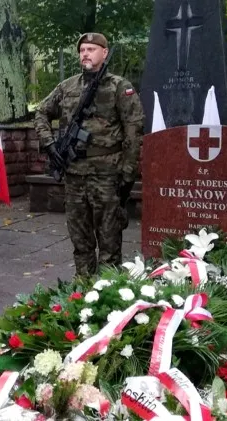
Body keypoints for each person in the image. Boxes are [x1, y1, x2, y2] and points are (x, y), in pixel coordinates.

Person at [34, 32, 145, 278]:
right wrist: (50, 144)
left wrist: (128, 173)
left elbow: (134, 130)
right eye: (82, 49)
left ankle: (109, 294)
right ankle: (82, 291)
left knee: (109, 240)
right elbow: (41, 113)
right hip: (74, 175)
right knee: (80, 239)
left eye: (91, 49)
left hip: (107, 175)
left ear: (104, 53)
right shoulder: (67, 86)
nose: (85, 53)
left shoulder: (119, 86)